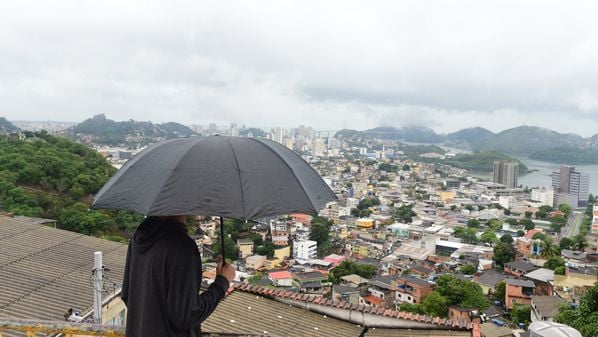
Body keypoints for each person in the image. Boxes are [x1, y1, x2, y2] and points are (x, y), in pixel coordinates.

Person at [122, 215, 236, 337]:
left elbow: (127, 295)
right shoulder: (182, 247)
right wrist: (221, 283)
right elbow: (186, 316)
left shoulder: (138, 238)